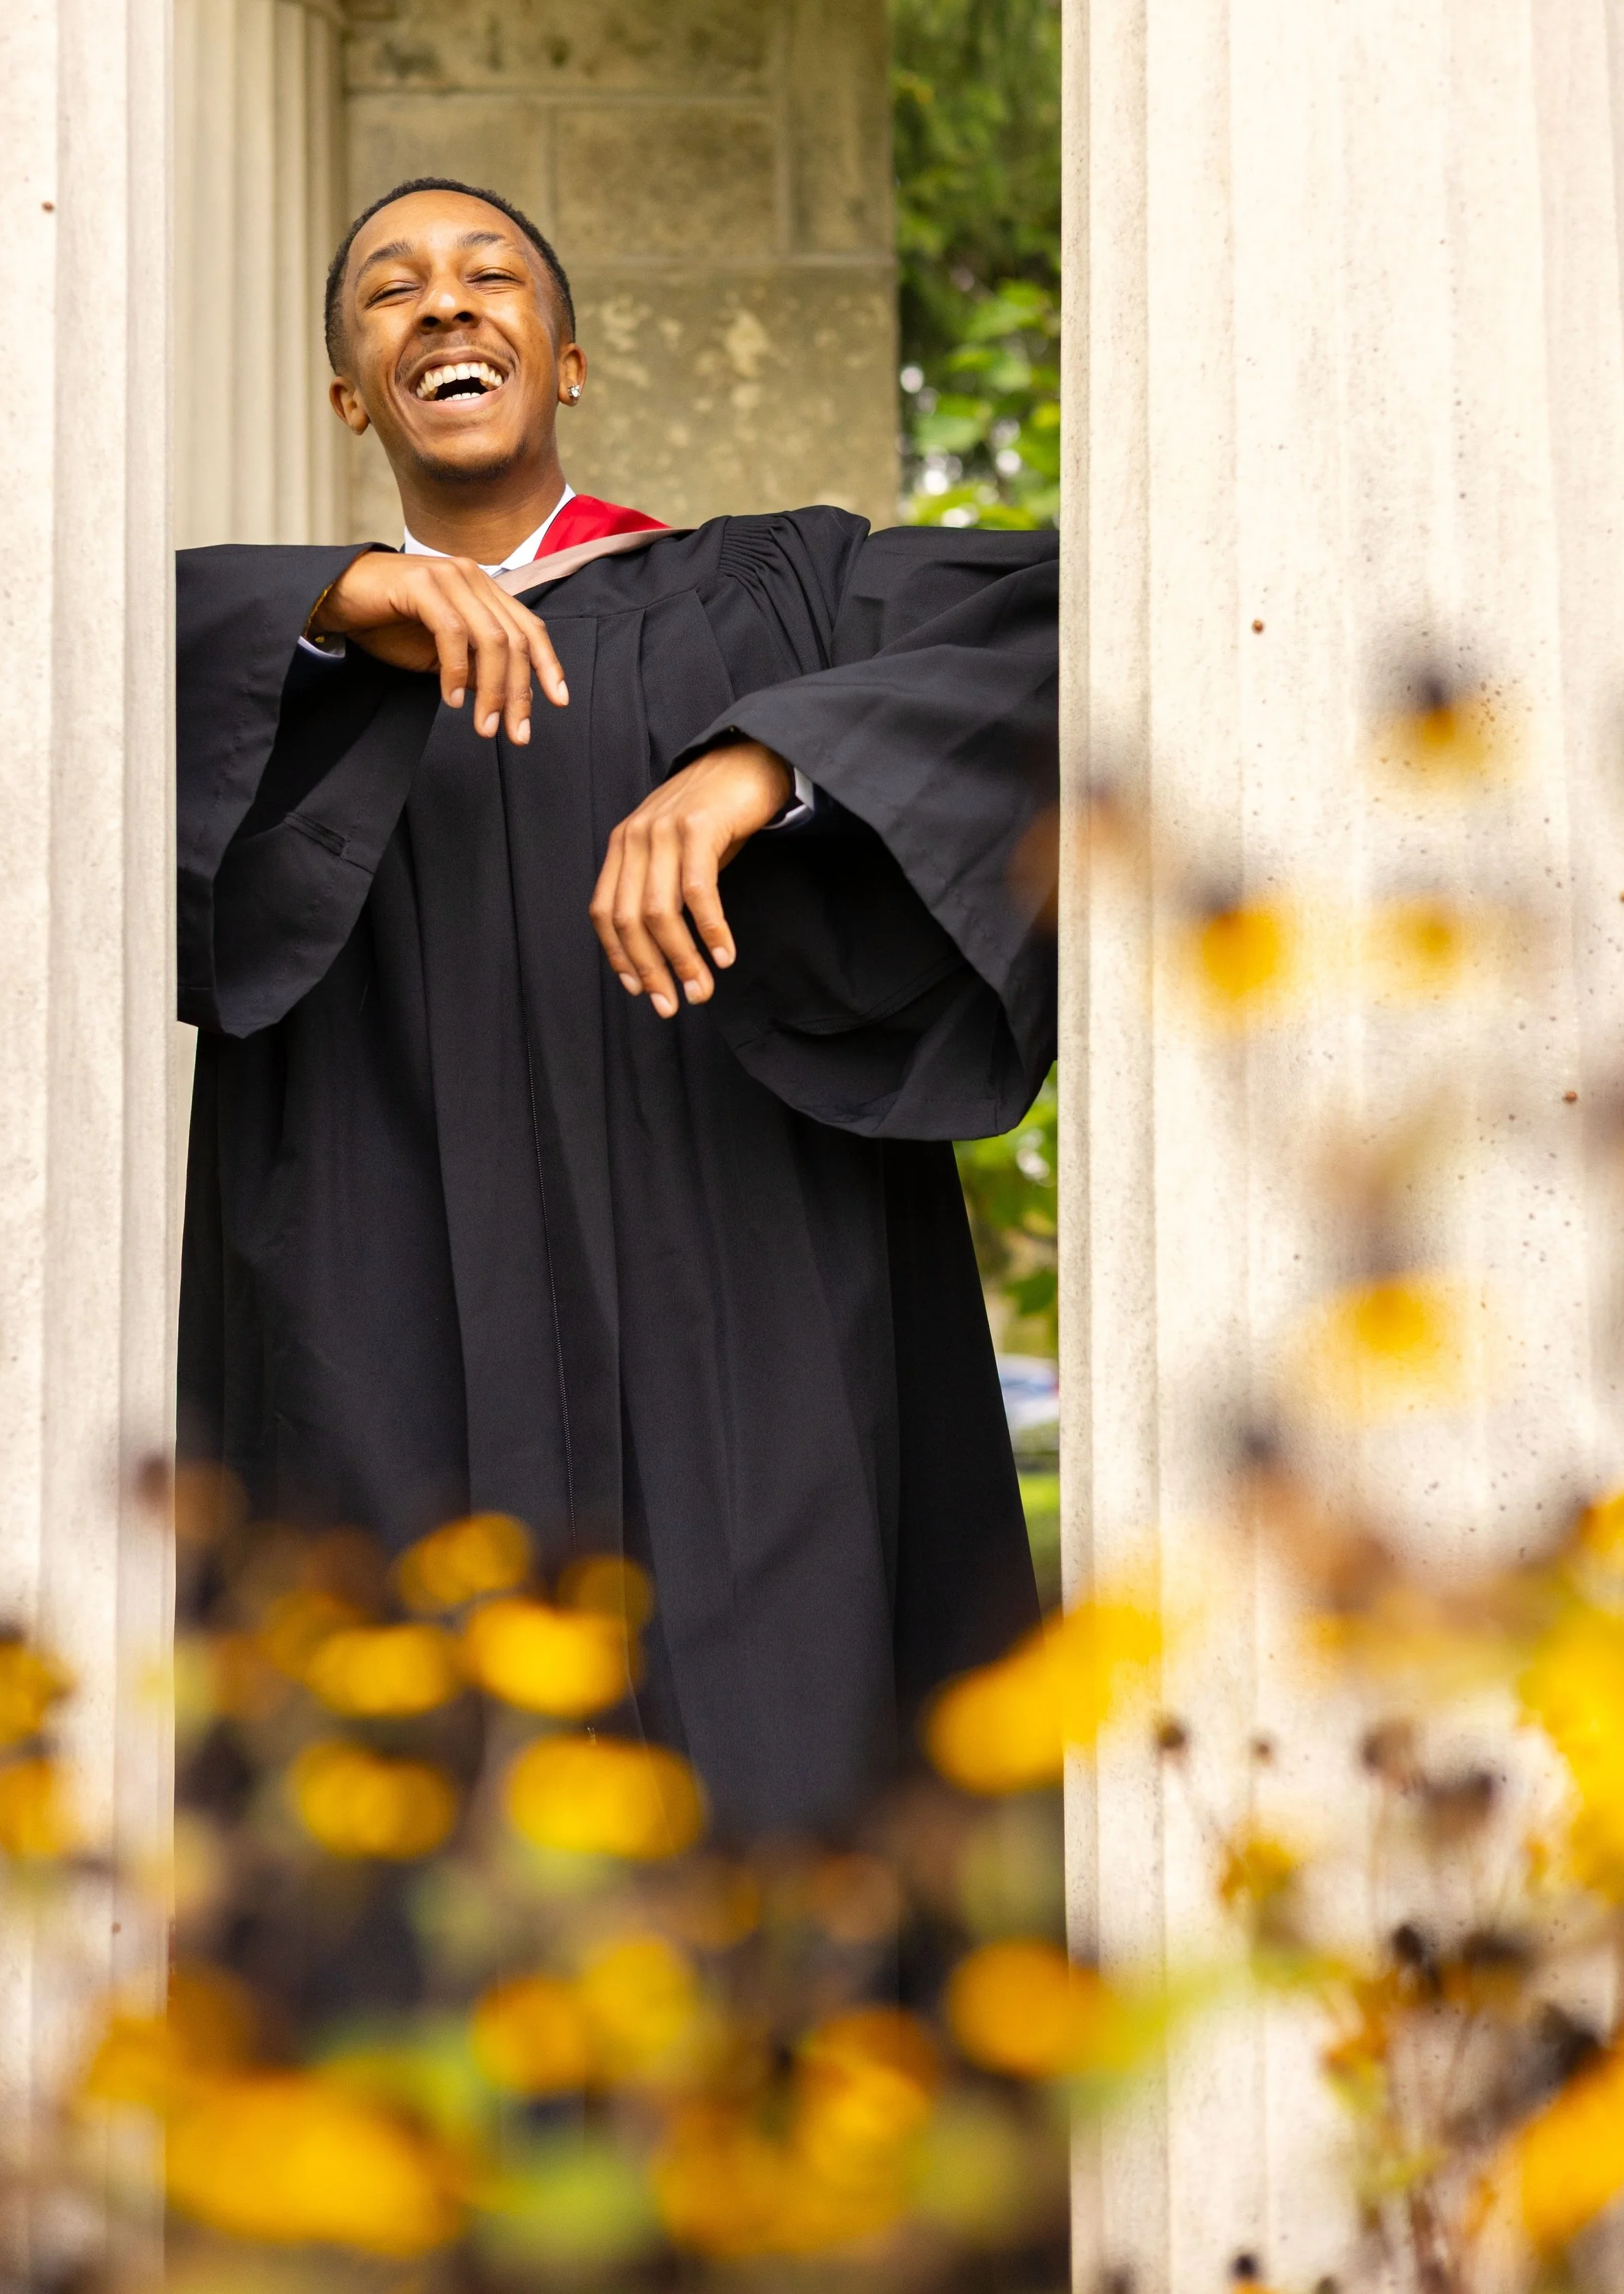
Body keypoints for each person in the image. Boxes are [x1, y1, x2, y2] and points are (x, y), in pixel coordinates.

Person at [177, 177, 1058, 1835]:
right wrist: (312, 599)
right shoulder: (268, 661)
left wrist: (773, 758)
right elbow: (9, 669)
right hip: (390, 1347)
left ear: (563, 361)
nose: (445, 304)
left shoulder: (774, 595)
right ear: (348, 392)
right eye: (392, 291)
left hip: (742, 1322)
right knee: (422, 1842)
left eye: (490, 274)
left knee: (777, 1788)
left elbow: (1065, 619)